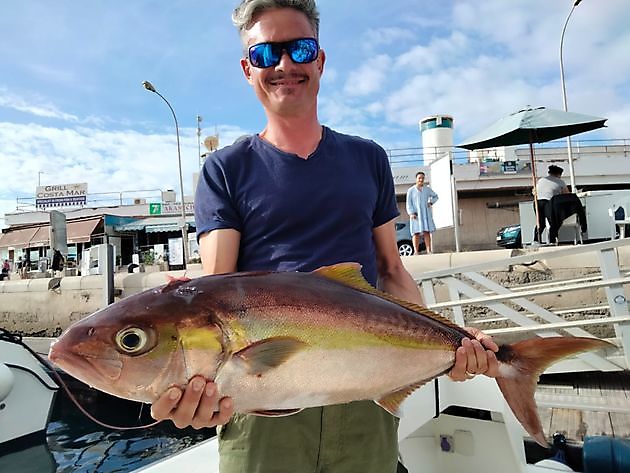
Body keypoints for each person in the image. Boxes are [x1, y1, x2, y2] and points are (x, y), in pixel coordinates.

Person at [149, 2, 499, 472]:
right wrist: (195, 379)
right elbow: (218, 283)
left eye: (300, 48)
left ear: (320, 59)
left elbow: (391, 270)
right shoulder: (225, 169)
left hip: (367, 385)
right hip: (262, 401)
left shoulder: (367, 158)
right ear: (246, 68)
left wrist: (452, 341)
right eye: (267, 53)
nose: (285, 65)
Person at [533, 164, 570, 242]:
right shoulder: (560, 182)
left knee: (540, 223)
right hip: (549, 203)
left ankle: (536, 240)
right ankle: (552, 240)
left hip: (537, 202)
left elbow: (534, 192)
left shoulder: (541, 180)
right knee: (554, 223)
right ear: (558, 174)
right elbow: (567, 194)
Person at [406, 171, 438, 254]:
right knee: (415, 233)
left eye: (422, 178)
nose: (421, 179)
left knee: (426, 232)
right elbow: (408, 203)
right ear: (416, 179)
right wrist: (411, 213)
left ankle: (428, 250)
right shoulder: (411, 190)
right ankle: (416, 251)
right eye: (419, 178)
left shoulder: (427, 189)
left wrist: (431, 202)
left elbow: (435, 196)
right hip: (415, 214)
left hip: (425, 214)